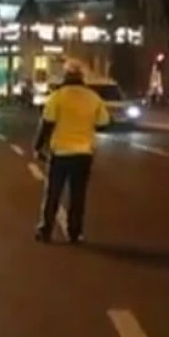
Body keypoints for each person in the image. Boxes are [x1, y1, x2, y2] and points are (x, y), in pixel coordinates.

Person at [32, 63, 110, 243]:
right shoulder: (93, 98)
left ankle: (46, 230)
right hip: (83, 153)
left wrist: (38, 146)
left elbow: (47, 124)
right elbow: (104, 123)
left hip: (60, 152)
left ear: (66, 77)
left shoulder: (57, 97)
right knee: (78, 195)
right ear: (82, 77)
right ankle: (75, 232)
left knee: (53, 193)